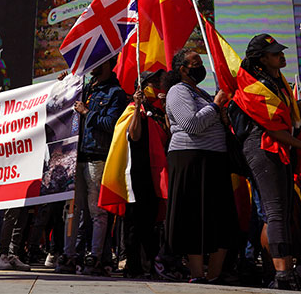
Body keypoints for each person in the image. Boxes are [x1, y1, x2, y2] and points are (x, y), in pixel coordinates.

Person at [234, 34, 301, 290]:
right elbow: (273, 127)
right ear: (261, 59)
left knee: (277, 214)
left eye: (281, 51)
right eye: (275, 53)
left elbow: (285, 115)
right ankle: (282, 275)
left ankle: (276, 270)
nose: (281, 56)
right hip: (263, 148)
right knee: (275, 212)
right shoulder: (256, 86)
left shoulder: (276, 80)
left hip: (277, 147)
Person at [164, 48, 234, 284]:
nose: (200, 67)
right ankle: (197, 273)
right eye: (195, 63)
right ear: (182, 69)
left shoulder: (201, 93)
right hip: (191, 157)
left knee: (221, 217)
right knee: (194, 215)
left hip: (215, 158)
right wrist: (215, 106)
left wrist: (221, 113)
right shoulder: (177, 91)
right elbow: (192, 124)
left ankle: (214, 274)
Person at [55, 58, 126, 276]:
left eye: (97, 61)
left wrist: (87, 113)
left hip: (97, 157)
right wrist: (64, 85)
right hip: (75, 156)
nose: (92, 65)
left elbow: (112, 125)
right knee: (72, 210)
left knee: (97, 211)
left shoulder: (115, 93)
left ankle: (95, 256)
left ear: (108, 63)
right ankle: (68, 254)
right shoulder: (84, 89)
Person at [120, 69, 169, 278]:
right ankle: (133, 266)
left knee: (151, 221)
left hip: (155, 172)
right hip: (137, 173)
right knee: (134, 222)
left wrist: (165, 107)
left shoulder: (156, 110)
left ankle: (151, 263)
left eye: (158, 82)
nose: (157, 85)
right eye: (152, 83)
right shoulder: (132, 109)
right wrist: (137, 105)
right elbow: (135, 135)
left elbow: (168, 133)